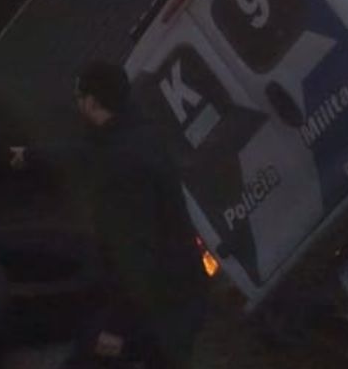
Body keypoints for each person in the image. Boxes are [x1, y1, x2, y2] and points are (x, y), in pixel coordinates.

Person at [11, 61, 208, 368]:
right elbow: (82, 154)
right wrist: (31, 156)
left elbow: (137, 255)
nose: (77, 104)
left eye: (78, 97)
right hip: (181, 288)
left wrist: (117, 326)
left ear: (91, 101)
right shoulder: (137, 134)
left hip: (159, 305)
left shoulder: (120, 171)